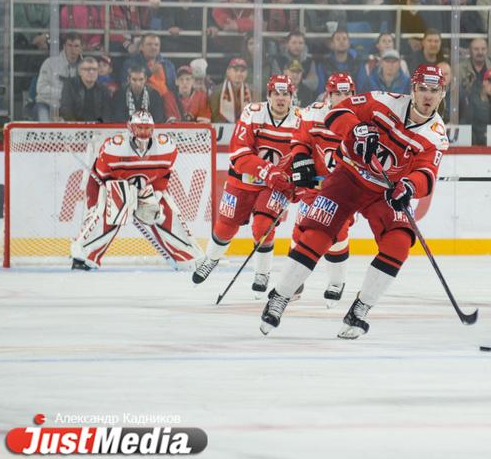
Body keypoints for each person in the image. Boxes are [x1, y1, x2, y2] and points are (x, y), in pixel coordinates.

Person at [258, 64, 449, 338]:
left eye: (434, 90)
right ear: (413, 89)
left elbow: (426, 173)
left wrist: (408, 186)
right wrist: (356, 129)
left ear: (442, 93)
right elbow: (337, 112)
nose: (427, 95)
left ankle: (360, 309)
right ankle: (280, 296)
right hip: (349, 176)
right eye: (422, 89)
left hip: (384, 190)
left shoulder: (436, 135)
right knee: (318, 234)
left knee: (399, 242)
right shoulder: (384, 101)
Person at [192, 75, 299, 288]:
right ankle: (211, 259)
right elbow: (239, 154)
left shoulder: (300, 120)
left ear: (291, 97)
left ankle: (262, 273)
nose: (281, 98)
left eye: (285, 94)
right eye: (276, 93)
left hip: (275, 185)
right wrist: (268, 171)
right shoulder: (253, 112)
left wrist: (297, 180)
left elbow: (305, 154)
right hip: (243, 179)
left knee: (263, 226)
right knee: (225, 226)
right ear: (269, 95)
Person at [71, 110, 204, 270]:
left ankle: (189, 257)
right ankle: (84, 256)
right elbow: (100, 178)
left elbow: (163, 177)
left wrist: (155, 195)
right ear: (130, 128)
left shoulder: (165, 148)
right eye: (139, 128)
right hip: (113, 185)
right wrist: (124, 197)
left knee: (166, 212)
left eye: (147, 128)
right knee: (112, 211)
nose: (143, 132)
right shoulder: (115, 148)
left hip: (148, 187)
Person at [289, 73, 358, 307]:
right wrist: (301, 160)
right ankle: (294, 281)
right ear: (328, 94)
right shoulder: (312, 113)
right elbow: (299, 141)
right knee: (300, 231)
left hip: (344, 191)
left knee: (337, 232)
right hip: (315, 188)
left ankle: (337, 282)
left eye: (347, 93)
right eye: (337, 93)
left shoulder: (362, 119)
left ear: (353, 94)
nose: (342, 98)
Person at [35, 32, 83, 121]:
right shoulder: (49, 63)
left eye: (76, 46)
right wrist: (65, 94)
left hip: (73, 109)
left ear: (81, 48)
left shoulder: (86, 67)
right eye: (69, 45)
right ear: (64, 47)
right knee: (44, 123)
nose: (73, 50)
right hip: (47, 105)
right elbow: (41, 89)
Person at [59, 57, 112, 122]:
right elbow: (66, 110)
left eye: (95, 69)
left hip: (97, 125)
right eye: (87, 69)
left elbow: (106, 113)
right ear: (80, 72)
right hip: (76, 124)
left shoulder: (103, 89)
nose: (91, 72)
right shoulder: (70, 85)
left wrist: (99, 125)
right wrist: (78, 124)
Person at [463, 68, 491, 145]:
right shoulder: (473, 98)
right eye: (490, 83)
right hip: (474, 141)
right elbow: (468, 122)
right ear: (484, 82)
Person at [209, 58, 254, 123]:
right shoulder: (217, 91)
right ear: (228, 72)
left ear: (246, 73)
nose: (239, 73)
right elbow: (214, 116)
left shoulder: (252, 92)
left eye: (242, 71)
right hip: (223, 127)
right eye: (235, 70)